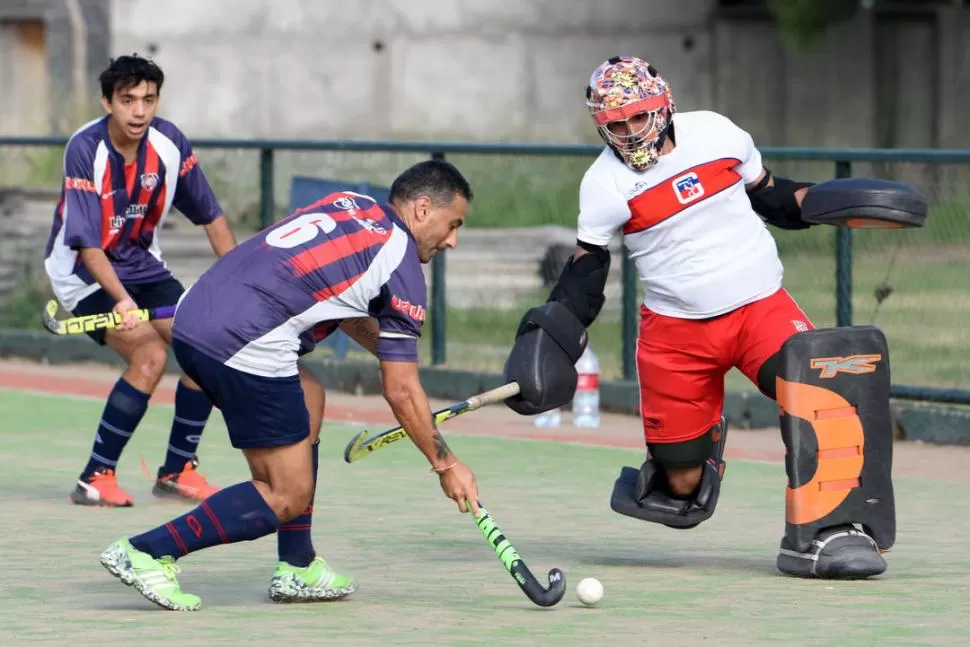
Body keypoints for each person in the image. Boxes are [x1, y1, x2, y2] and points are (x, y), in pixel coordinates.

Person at [502, 56, 895, 579]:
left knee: (827, 402)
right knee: (681, 491)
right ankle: (700, 444)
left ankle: (831, 535)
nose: (626, 134)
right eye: (613, 125)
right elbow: (586, 272)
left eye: (636, 120)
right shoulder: (603, 184)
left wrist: (826, 201)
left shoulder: (718, 133)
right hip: (674, 336)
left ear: (663, 107)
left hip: (761, 309)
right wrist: (546, 339)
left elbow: (771, 195)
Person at [98, 159, 482, 610]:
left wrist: (392, 351)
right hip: (245, 342)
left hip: (194, 315)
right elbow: (400, 390)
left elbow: (340, 301)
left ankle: (297, 565)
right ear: (422, 209)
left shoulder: (349, 205)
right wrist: (447, 464)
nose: (452, 240)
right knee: (284, 493)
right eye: (452, 224)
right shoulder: (403, 267)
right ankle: (147, 551)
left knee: (309, 396)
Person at [44, 54, 237, 507]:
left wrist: (236, 283)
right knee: (149, 354)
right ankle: (95, 476)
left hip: (143, 266)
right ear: (107, 102)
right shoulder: (85, 148)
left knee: (204, 348)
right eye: (127, 100)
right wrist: (121, 300)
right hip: (83, 273)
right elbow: (89, 245)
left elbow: (212, 218)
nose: (138, 111)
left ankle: (176, 470)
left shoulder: (170, 145)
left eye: (147, 100)